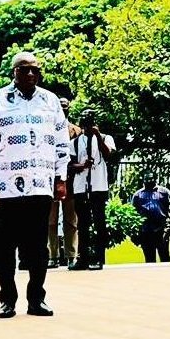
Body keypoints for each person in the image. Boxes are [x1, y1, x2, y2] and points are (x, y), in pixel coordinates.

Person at [0, 51, 69, 318]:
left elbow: (62, 144)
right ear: (13, 72)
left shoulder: (50, 102)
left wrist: (61, 179)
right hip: (6, 188)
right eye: (23, 69)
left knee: (38, 246)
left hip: (41, 186)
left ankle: (37, 299)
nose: (29, 74)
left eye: (34, 70)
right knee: (4, 247)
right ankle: (7, 300)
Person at [68, 108, 116, 271]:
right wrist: (82, 165)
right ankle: (83, 259)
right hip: (81, 187)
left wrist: (97, 136)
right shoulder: (74, 142)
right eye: (84, 122)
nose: (87, 125)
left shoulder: (105, 138)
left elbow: (108, 155)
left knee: (99, 222)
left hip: (98, 186)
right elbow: (69, 165)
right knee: (82, 224)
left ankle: (99, 257)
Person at [47, 97, 81, 268]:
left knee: (71, 221)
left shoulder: (77, 130)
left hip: (71, 181)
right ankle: (52, 256)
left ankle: (71, 255)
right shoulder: (47, 128)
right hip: (51, 180)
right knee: (50, 221)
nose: (63, 109)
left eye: (66, 107)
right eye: (60, 107)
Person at [131, 171, 170, 263]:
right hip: (145, 230)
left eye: (151, 179)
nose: (149, 181)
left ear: (155, 180)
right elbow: (133, 213)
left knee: (165, 256)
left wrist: (168, 227)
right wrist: (135, 234)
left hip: (161, 229)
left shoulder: (164, 192)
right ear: (143, 181)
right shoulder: (138, 195)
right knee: (149, 258)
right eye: (147, 180)